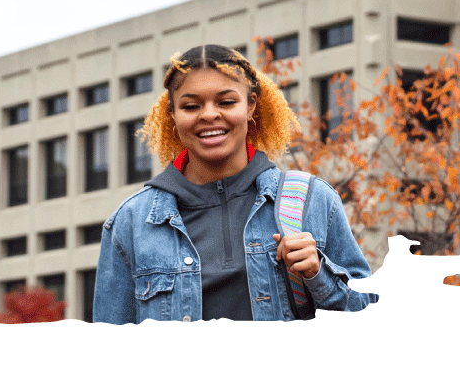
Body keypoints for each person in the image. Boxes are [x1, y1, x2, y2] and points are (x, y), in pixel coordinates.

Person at [93, 44, 376, 322]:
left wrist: (317, 274)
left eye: (226, 102)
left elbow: (370, 318)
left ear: (251, 105)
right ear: (173, 116)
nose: (209, 114)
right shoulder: (131, 222)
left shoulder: (312, 201)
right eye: (191, 106)